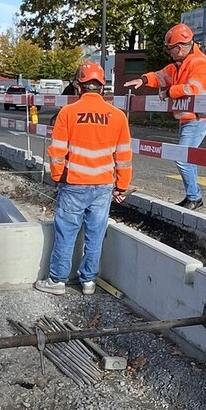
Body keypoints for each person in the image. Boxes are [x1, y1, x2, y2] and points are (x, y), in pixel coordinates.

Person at [34, 61, 132, 296]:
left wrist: (58, 177)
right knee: (95, 233)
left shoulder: (67, 113)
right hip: (103, 186)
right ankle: (88, 281)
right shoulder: (117, 116)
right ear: (102, 87)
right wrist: (122, 186)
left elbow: (57, 152)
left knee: (66, 232)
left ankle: (57, 280)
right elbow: (124, 156)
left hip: (74, 184)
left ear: (78, 85)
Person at [125, 22, 206, 208]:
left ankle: (194, 197)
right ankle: (193, 196)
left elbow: (193, 89)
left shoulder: (200, 63)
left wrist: (168, 92)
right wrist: (142, 80)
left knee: (182, 158)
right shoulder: (178, 65)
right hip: (188, 119)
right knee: (187, 157)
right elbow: (159, 76)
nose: (169, 53)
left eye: (170, 49)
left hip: (198, 118)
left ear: (180, 48)